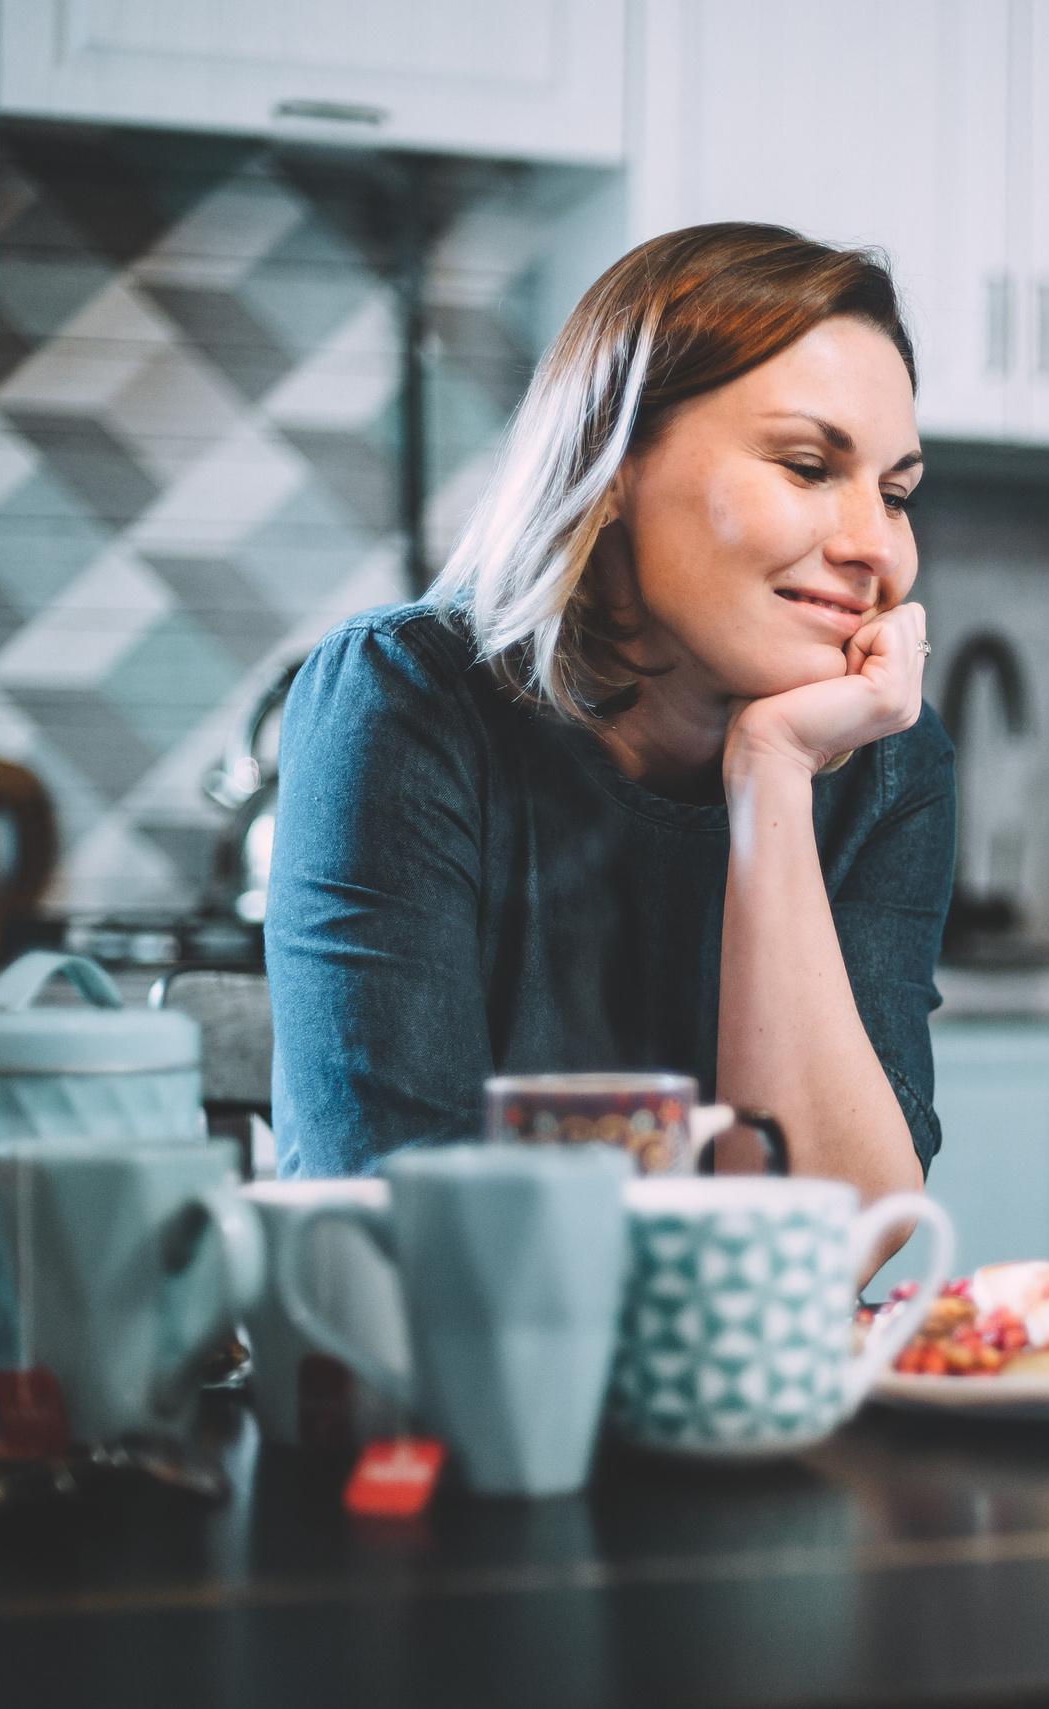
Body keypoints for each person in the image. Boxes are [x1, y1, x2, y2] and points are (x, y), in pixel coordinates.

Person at [267, 224, 950, 1260]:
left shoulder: (884, 759)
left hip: (752, 1408)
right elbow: (403, 1230)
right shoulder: (403, 703)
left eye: (895, 494)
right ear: (614, 459)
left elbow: (839, 1241)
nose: (874, 547)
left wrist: (769, 772)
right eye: (809, 466)